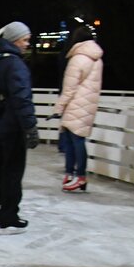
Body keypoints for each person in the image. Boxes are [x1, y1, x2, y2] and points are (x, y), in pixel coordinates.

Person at [0, 21, 38, 233]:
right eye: (24, 40)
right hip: (12, 127)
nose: (26, 44)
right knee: (12, 172)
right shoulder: (15, 64)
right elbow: (21, 98)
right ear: (14, 40)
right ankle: (9, 216)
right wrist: (30, 127)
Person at [52, 26, 104, 192]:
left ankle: (78, 175)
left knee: (73, 141)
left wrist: (59, 108)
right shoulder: (97, 58)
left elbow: (69, 88)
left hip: (75, 103)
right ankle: (74, 175)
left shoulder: (78, 59)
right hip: (87, 104)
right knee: (76, 139)